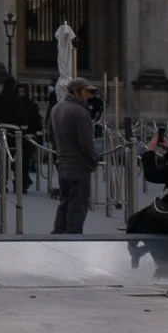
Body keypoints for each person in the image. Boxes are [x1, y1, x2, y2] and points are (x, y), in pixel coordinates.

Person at [50, 76, 99, 234]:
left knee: (64, 202)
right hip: (78, 165)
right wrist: (93, 159)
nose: (89, 96)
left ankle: (58, 234)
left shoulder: (57, 108)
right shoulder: (80, 112)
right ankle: (73, 237)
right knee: (78, 206)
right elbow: (86, 142)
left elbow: (53, 137)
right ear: (77, 92)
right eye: (86, 92)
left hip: (63, 162)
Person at [0, 77, 41, 189]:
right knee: (16, 158)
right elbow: (22, 117)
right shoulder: (17, 99)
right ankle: (17, 182)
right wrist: (23, 127)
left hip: (0, 131)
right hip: (14, 132)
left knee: (2, 158)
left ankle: (2, 181)